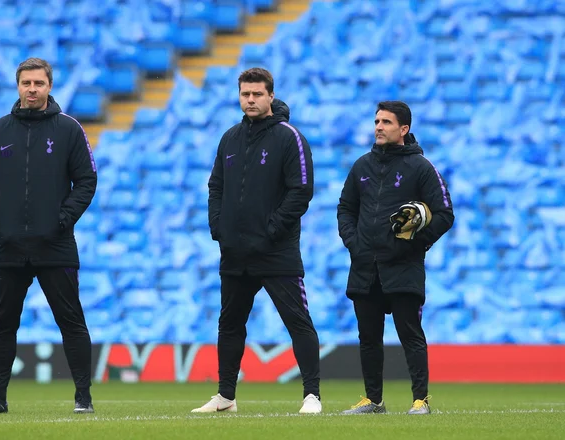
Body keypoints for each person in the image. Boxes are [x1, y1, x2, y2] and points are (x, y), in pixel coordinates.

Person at [0, 58, 98, 414]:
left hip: (55, 243)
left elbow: (87, 180)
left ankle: (83, 398)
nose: (32, 89)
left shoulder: (70, 130)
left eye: (38, 83)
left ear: (49, 86)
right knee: (3, 323)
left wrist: (62, 220)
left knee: (72, 321)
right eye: (26, 83)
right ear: (18, 86)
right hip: (8, 243)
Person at [192, 67, 322, 415]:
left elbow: (301, 191)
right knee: (230, 324)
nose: (250, 100)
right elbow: (215, 186)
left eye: (257, 94)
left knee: (297, 321)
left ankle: (312, 395)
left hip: (275, 250)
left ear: (270, 96)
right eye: (245, 94)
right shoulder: (230, 138)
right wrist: (218, 227)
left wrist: (272, 229)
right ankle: (225, 397)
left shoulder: (289, 137)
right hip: (235, 252)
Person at [337, 101, 454, 415]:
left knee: (410, 334)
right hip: (365, 266)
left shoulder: (421, 167)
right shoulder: (361, 166)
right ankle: (373, 400)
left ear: (403, 129)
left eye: (386, 122)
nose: (378, 126)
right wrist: (353, 242)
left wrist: (416, 245)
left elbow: (444, 214)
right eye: (376, 121)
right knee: (369, 338)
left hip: (403, 266)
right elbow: (345, 208)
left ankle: (420, 400)